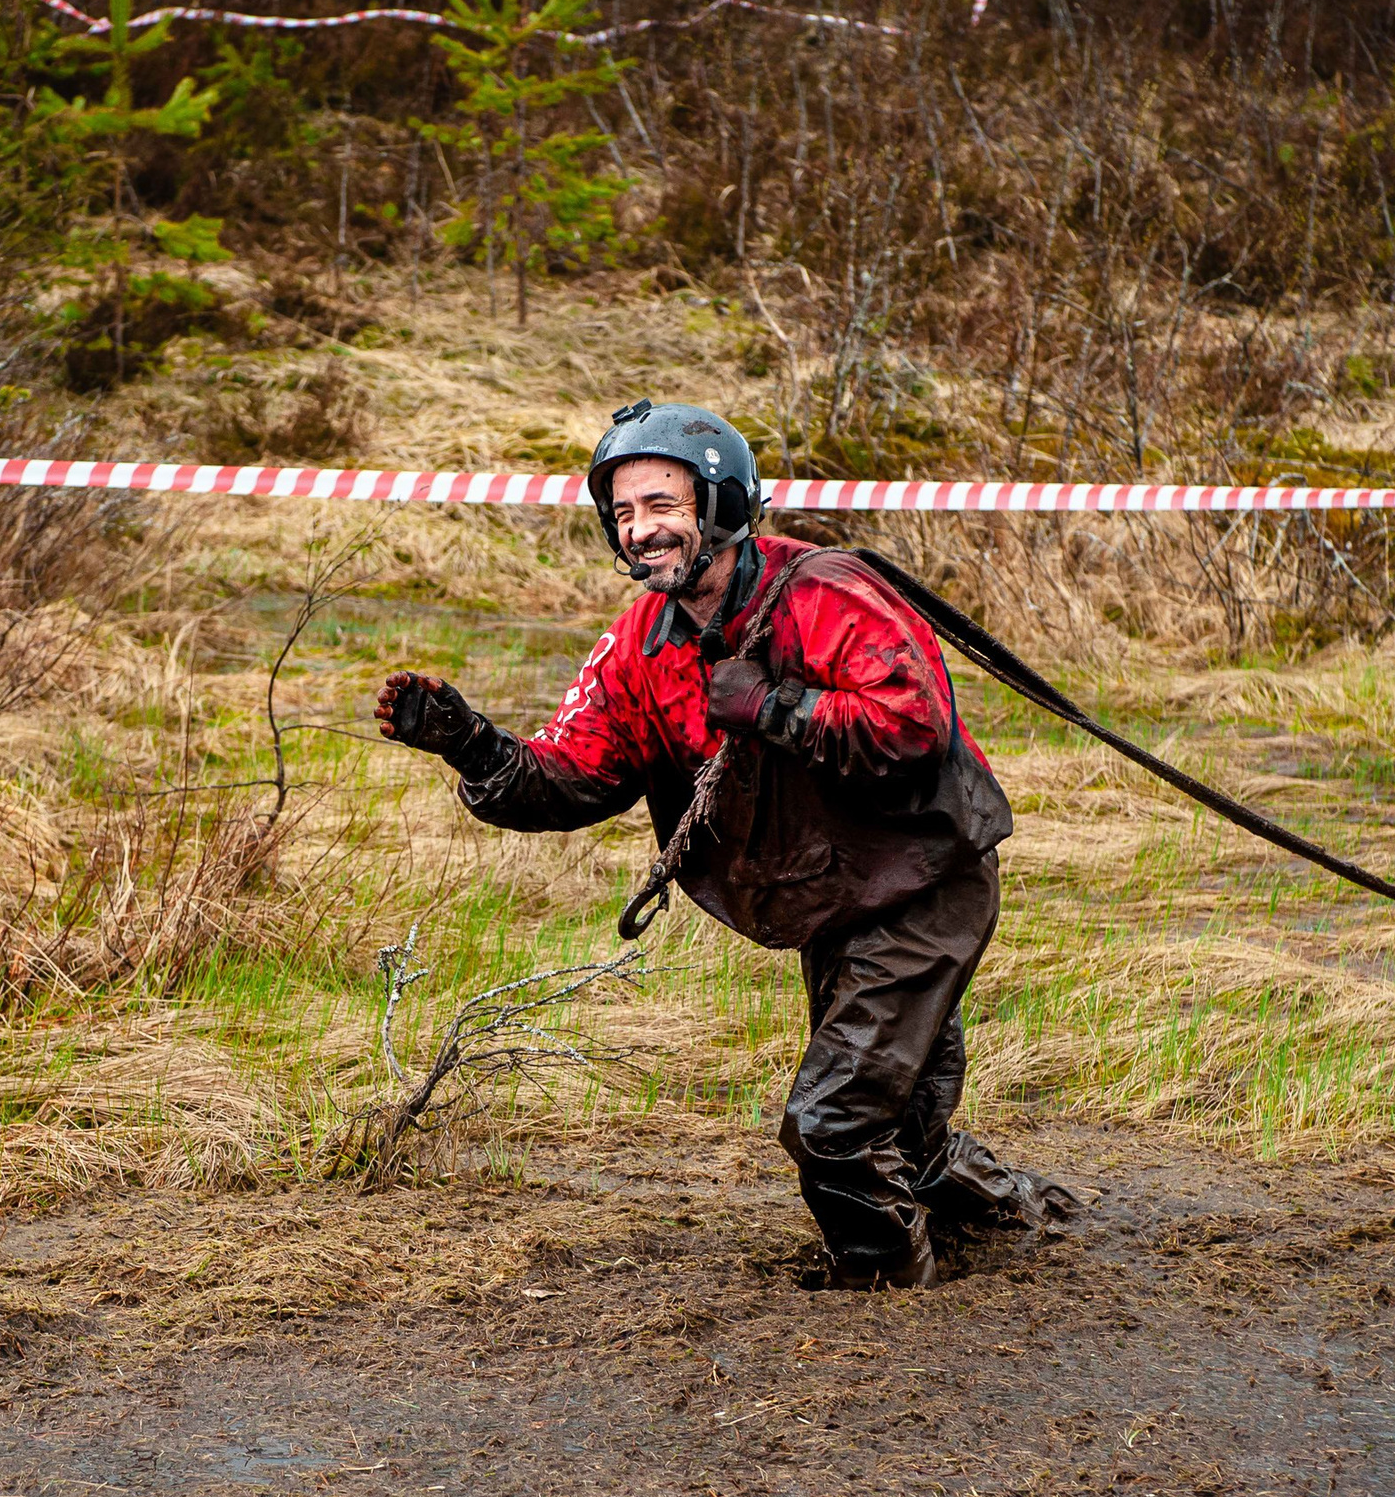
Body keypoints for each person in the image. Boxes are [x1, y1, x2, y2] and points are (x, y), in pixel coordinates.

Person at [374, 400, 1071, 1287]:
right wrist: (471, 745)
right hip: (837, 901)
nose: (642, 530)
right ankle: (1029, 1222)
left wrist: (774, 707)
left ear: (723, 503)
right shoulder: (639, 645)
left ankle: (883, 1294)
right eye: (624, 513)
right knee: (901, 1128)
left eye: (662, 505)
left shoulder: (826, 593)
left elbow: (912, 723)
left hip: (927, 878)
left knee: (832, 1125)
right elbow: (574, 775)